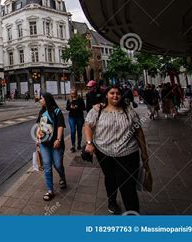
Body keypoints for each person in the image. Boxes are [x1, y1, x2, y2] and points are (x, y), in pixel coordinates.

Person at [83, 85, 149, 214]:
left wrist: (144, 153)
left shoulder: (129, 111)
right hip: (104, 153)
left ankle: (132, 213)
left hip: (128, 154)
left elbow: (139, 132)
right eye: (112, 93)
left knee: (127, 185)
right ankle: (112, 201)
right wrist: (89, 143)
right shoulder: (97, 110)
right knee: (110, 178)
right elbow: (88, 125)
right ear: (106, 95)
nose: (115, 96)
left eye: (118, 93)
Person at [36, 92, 67, 201]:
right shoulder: (41, 112)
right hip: (44, 144)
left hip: (56, 144)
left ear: (46, 100)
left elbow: (60, 126)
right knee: (47, 167)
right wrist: (37, 138)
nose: (40, 100)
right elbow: (39, 127)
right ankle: (50, 190)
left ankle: (62, 177)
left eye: (41, 98)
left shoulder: (57, 111)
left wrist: (58, 139)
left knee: (58, 165)